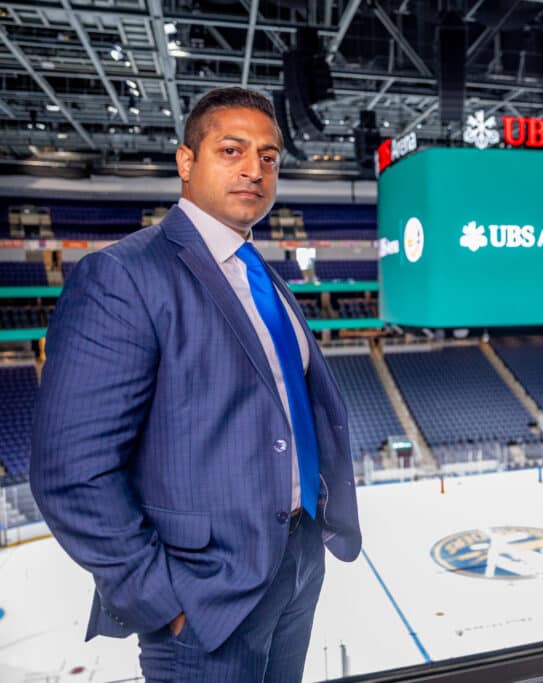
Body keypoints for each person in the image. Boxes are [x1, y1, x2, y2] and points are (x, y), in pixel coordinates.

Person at [31, 87, 361, 681]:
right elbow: (70, 471)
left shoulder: (265, 279)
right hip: (204, 598)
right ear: (186, 162)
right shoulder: (124, 275)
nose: (253, 169)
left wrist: (305, 545)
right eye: (231, 149)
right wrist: (165, 601)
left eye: (268, 157)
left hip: (294, 568)